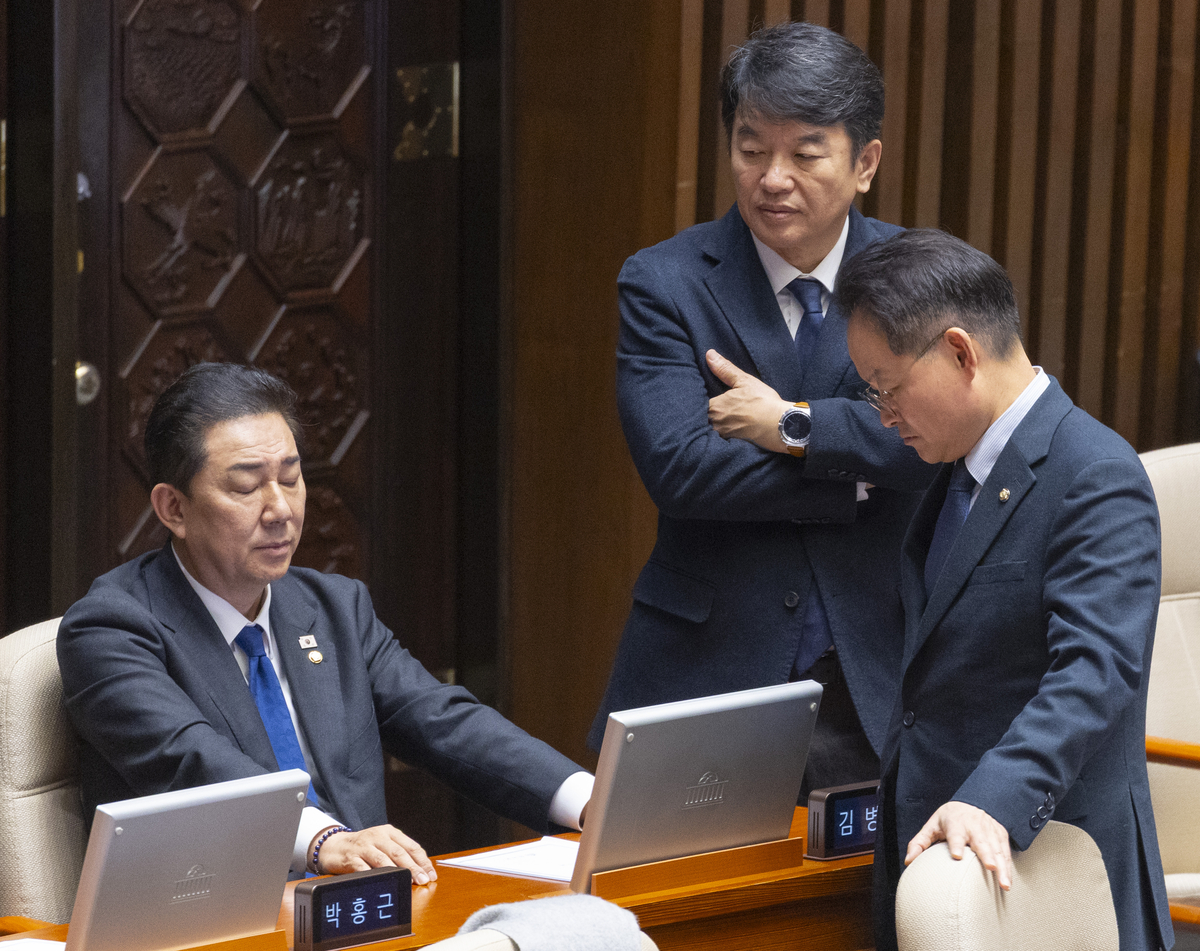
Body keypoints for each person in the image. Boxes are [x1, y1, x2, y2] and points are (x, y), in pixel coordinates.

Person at [58, 363, 593, 883]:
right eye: (247, 488)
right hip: (212, 919)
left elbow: (443, 721)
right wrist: (320, 840)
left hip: (359, 916)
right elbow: (189, 760)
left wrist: (587, 799)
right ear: (173, 508)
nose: (281, 510)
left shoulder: (334, 606)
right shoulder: (112, 628)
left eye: (291, 480)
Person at [590, 20, 934, 795]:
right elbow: (681, 470)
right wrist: (853, 479)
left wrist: (788, 424)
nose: (773, 177)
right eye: (751, 149)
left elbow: (927, 448)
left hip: (872, 672)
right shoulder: (665, 282)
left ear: (864, 162)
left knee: (864, 913)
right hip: (706, 669)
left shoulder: (919, 277)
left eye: (805, 151)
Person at [829, 230, 1170, 951]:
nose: (881, 414)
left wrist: (992, 798)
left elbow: (1093, 670)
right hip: (939, 864)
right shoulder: (953, 470)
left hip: (1044, 867)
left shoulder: (1094, 472)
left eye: (886, 387)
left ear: (959, 351)